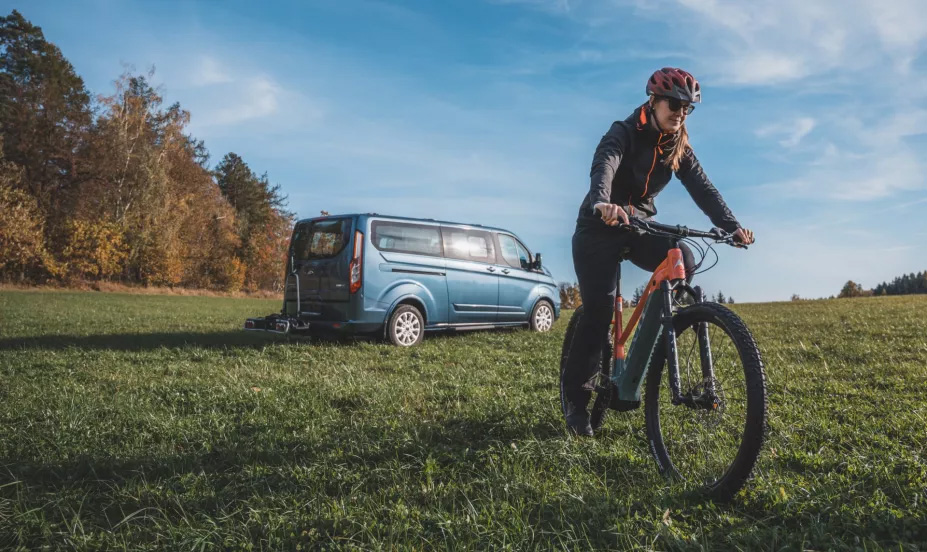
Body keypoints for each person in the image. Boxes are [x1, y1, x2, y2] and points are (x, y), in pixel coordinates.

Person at [563, 67, 755, 436]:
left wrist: (731, 227)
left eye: (688, 108)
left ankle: (660, 326)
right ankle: (577, 403)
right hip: (598, 227)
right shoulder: (623, 131)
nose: (681, 112)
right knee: (599, 314)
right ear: (653, 100)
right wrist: (602, 202)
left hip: (639, 226)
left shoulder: (677, 145)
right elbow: (605, 163)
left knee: (684, 255)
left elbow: (703, 189)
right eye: (675, 104)